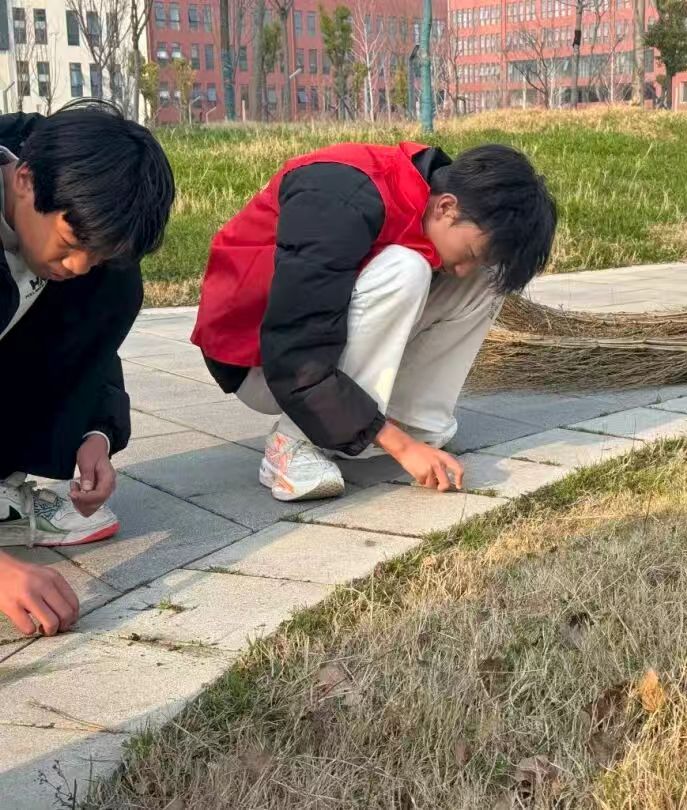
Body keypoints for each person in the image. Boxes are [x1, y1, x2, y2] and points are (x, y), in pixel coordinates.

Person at [191, 141, 556, 502]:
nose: (463, 269)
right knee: (406, 269)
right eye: (471, 253)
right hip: (257, 360)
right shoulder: (338, 199)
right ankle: (294, 442)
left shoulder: (428, 199)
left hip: (316, 341)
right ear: (447, 207)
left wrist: (403, 439)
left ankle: (407, 422)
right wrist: (398, 446)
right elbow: (293, 354)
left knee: (486, 280)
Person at [0, 101, 175, 635]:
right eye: (71, 245)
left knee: (116, 284)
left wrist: (94, 432)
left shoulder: (71, 206)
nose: (77, 266)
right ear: (25, 181)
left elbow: (95, 339)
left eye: (93, 253)